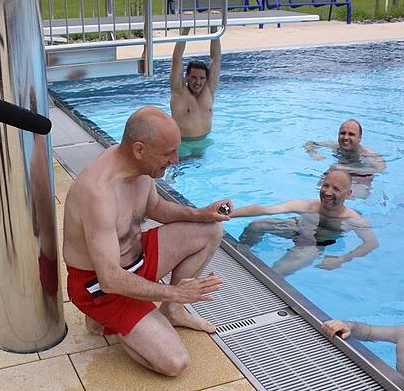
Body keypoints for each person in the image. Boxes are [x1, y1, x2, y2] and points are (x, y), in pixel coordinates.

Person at [63, 106, 231, 376]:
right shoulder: (98, 192)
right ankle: (114, 324)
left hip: (137, 260)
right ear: (139, 149)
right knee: (174, 363)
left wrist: (200, 213)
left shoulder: (140, 167)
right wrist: (177, 291)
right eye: (168, 154)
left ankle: (172, 312)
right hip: (101, 288)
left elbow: (154, 207)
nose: (175, 160)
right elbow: (110, 279)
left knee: (211, 230)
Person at [231, 170, 378, 276]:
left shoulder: (353, 220)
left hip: (314, 245)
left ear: (348, 194)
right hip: (296, 227)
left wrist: (341, 259)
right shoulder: (309, 206)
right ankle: (241, 255)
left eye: (336, 189)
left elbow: (371, 243)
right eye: (326, 185)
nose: (327, 192)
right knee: (257, 225)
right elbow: (266, 209)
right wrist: (229, 215)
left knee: (276, 272)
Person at [169, 27, 221, 159]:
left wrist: (214, 28)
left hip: (204, 143)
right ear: (186, 76)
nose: (198, 82)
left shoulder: (209, 90)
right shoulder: (179, 92)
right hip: (182, 145)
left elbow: (216, 59)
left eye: (202, 78)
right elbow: (176, 59)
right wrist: (186, 29)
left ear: (206, 78)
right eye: (193, 77)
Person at [304, 119, 386, 199]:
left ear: (359, 138)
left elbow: (380, 169)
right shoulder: (334, 146)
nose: (346, 137)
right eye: (343, 133)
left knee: (357, 197)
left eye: (351, 134)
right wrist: (314, 154)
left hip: (360, 176)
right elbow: (309, 144)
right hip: (338, 170)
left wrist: (345, 169)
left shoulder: (368, 154)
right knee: (320, 190)